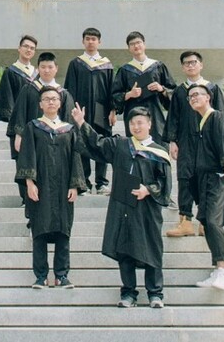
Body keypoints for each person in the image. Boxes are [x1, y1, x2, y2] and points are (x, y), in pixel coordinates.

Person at [72, 104, 170, 308]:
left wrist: (148, 190)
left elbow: (165, 183)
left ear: (149, 124)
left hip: (148, 209)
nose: (136, 127)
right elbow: (97, 144)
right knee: (125, 249)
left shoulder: (159, 152)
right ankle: (128, 293)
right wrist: (81, 122)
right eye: (132, 123)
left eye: (140, 123)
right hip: (124, 205)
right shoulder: (122, 145)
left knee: (151, 248)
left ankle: (155, 293)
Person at [16, 88, 84, 290]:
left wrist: (75, 185)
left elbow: (76, 158)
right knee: (39, 231)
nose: (51, 102)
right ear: (40, 104)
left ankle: (62, 275)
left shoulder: (69, 129)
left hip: (64, 187)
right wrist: (29, 182)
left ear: (60, 103)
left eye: (54, 99)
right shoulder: (33, 127)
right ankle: (41, 276)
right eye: (46, 99)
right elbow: (26, 155)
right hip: (41, 186)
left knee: (63, 231)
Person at [189, 84, 224, 292]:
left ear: (208, 97)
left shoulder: (216, 117)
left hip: (217, 176)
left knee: (213, 221)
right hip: (204, 178)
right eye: (190, 96)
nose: (193, 98)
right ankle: (216, 268)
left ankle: (222, 270)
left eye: (197, 95)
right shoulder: (201, 121)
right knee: (207, 222)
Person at [164, 50, 224, 239]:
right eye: (186, 63)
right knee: (185, 179)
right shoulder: (180, 91)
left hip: (208, 143)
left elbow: (221, 117)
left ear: (201, 65)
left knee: (206, 181)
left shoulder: (212, 88)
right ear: (183, 67)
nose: (190, 66)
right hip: (185, 142)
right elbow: (173, 116)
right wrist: (173, 141)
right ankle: (185, 221)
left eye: (194, 62)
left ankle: (205, 222)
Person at [63, 27, 115, 194]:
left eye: (94, 39)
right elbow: (69, 89)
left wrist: (113, 110)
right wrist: (72, 112)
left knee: (102, 144)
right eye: (88, 38)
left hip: (102, 110)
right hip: (81, 110)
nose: (91, 41)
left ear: (99, 42)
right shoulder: (76, 63)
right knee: (82, 143)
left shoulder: (106, 65)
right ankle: (83, 182)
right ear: (83, 41)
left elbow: (112, 90)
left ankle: (101, 183)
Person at [111, 31, 175, 139]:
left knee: (157, 145)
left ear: (144, 44)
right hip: (133, 112)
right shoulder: (124, 70)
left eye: (138, 42)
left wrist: (161, 88)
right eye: (132, 44)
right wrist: (129, 94)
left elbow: (173, 91)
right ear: (129, 48)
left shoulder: (158, 66)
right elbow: (115, 95)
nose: (136, 46)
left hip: (155, 114)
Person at [10, 52, 77, 154]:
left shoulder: (63, 94)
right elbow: (20, 113)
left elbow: (68, 119)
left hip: (57, 142)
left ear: (56, 68)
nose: (46, 70)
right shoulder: (28, 89)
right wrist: (19, 136)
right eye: (43, 67)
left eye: (50, 67)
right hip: (31, 140)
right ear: (38, 69)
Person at [0, 35, 40, 159]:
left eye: (32, 48)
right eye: (25, 46)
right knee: (23, 161)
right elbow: (6, 97)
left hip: (38, 121)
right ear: (19, 48)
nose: (28, 50)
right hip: (20, 122)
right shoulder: (10, 72)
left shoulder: (37, 74)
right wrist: (15, 121)